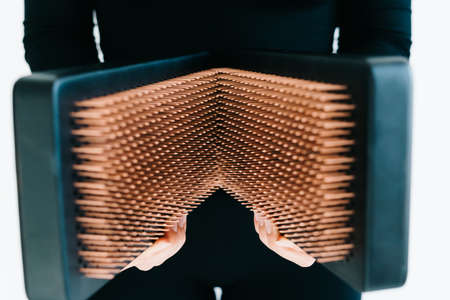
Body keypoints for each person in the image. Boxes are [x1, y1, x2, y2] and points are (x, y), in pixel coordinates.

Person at [22, 0, 411, 299]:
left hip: (299, 207)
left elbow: (380, 32)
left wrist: (326, 202)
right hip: (138, 205)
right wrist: (109, 203)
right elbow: (55, 33)